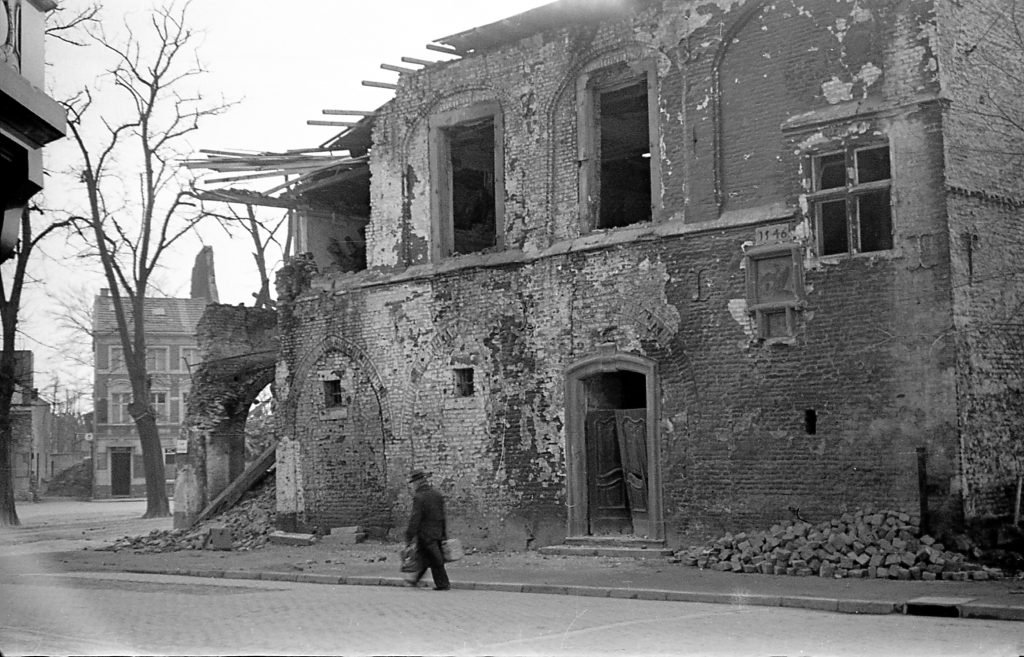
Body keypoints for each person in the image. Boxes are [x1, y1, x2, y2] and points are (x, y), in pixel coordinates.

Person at [404, 469, 450, 591]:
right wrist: (444, 534)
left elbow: (415, 518)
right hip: (438, 532)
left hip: (425, 534)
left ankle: (443, 584)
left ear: (418, 482)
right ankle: (416, 580)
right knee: (426, 558)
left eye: (414, 482)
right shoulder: (437, 495)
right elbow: (442, 516)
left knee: (435, 559)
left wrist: (409, 535)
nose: (413, 485)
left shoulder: (419, 497)